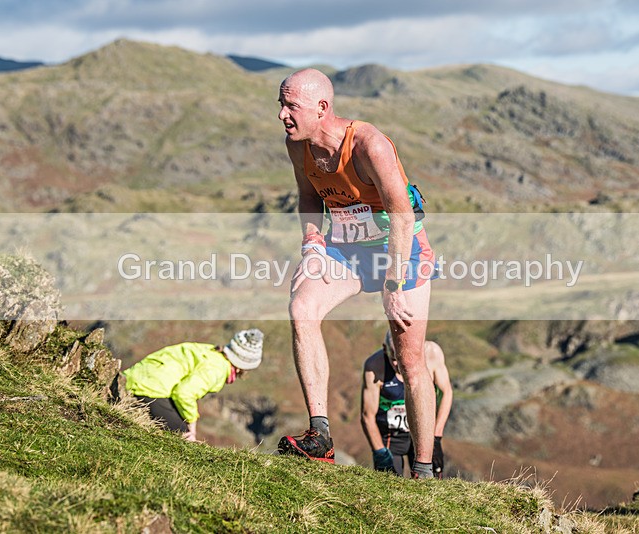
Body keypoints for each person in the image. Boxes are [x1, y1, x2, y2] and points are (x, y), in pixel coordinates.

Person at [276, 68, 439, 478]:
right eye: (281, 104)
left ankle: (421, 469)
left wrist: (393, 284)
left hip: (399, 250)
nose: (282, 114)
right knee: (302, 308)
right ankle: (320, 437)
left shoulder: (370, 145)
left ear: (322, 108)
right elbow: (308, 196)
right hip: (347, 249)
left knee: (410, 360)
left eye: (291, 106)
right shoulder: (298, 146)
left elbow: (402, 219)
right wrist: (312, 245)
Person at [122, 328, 264, 442]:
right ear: (242, 366)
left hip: (139, 378)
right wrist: (192, 425)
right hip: (150, 389)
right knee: (183, 437)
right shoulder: (218, 369)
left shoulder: (210, 352)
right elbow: (183, 393)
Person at [361, 331, 453, 478]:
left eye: (403, 357)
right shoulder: (375, 366)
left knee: (431, 483)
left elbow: (446, 392)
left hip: (422, 432)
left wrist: (436, 437)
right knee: (389, 486)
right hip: (391, 437)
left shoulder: (432, 354)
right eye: (394, 358)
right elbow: (367, 415)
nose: (399, 364)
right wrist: (380, 452)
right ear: (385, 349)